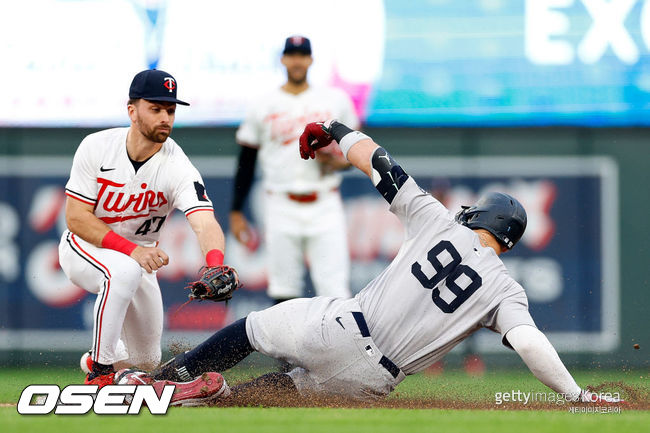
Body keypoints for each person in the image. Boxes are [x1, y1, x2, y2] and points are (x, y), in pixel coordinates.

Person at [119, 120, 622, 406]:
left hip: (344, 327)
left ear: (480, 215)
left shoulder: (440, 222)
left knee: (252, 328)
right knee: (286, 392)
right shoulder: (506, 291)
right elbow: (530, 343)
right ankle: (218, 396)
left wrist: (336, 128)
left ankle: (164, 379)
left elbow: (380, 162)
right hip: (373, 382)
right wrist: (574, 392)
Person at [59, 69, 233, 395]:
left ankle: (104, 360)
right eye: (155, 108)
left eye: (170, 110)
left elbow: (204, 221)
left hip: (139, 256)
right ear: (132, 110)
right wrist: (133, 252)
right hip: (85, 246)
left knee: (147, 360)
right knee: (122, 270)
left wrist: (214, 262)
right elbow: (76, 218)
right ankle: (99, 373)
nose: (165, 117)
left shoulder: (176, 165)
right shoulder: (96, 147)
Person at [229, 35, 359, 304]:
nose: (297, 61)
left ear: (310, 60)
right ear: (283, 59)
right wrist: (236, 210)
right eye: (292, 55)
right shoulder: (263, 103)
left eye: (302, 55)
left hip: (325, 202)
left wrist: (340, 162)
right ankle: (289, 348)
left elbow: (356, 150)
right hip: (280, 204)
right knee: (283, 290)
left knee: (335, 290)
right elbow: (246, 160)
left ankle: (337, 347)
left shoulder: (335, 100)